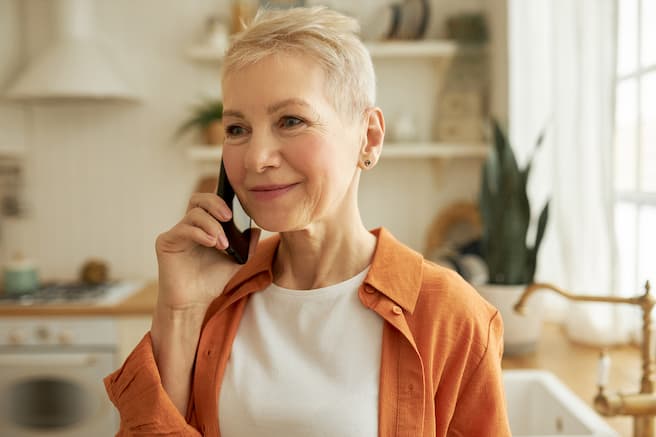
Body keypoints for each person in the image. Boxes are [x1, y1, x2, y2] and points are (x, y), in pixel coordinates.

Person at [104, 6, 511, 436]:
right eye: (237, 129)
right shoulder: (212, 297)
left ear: (368, 136)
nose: (257, 159)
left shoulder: (451, 316)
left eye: (291, 120)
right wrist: (181, 311)